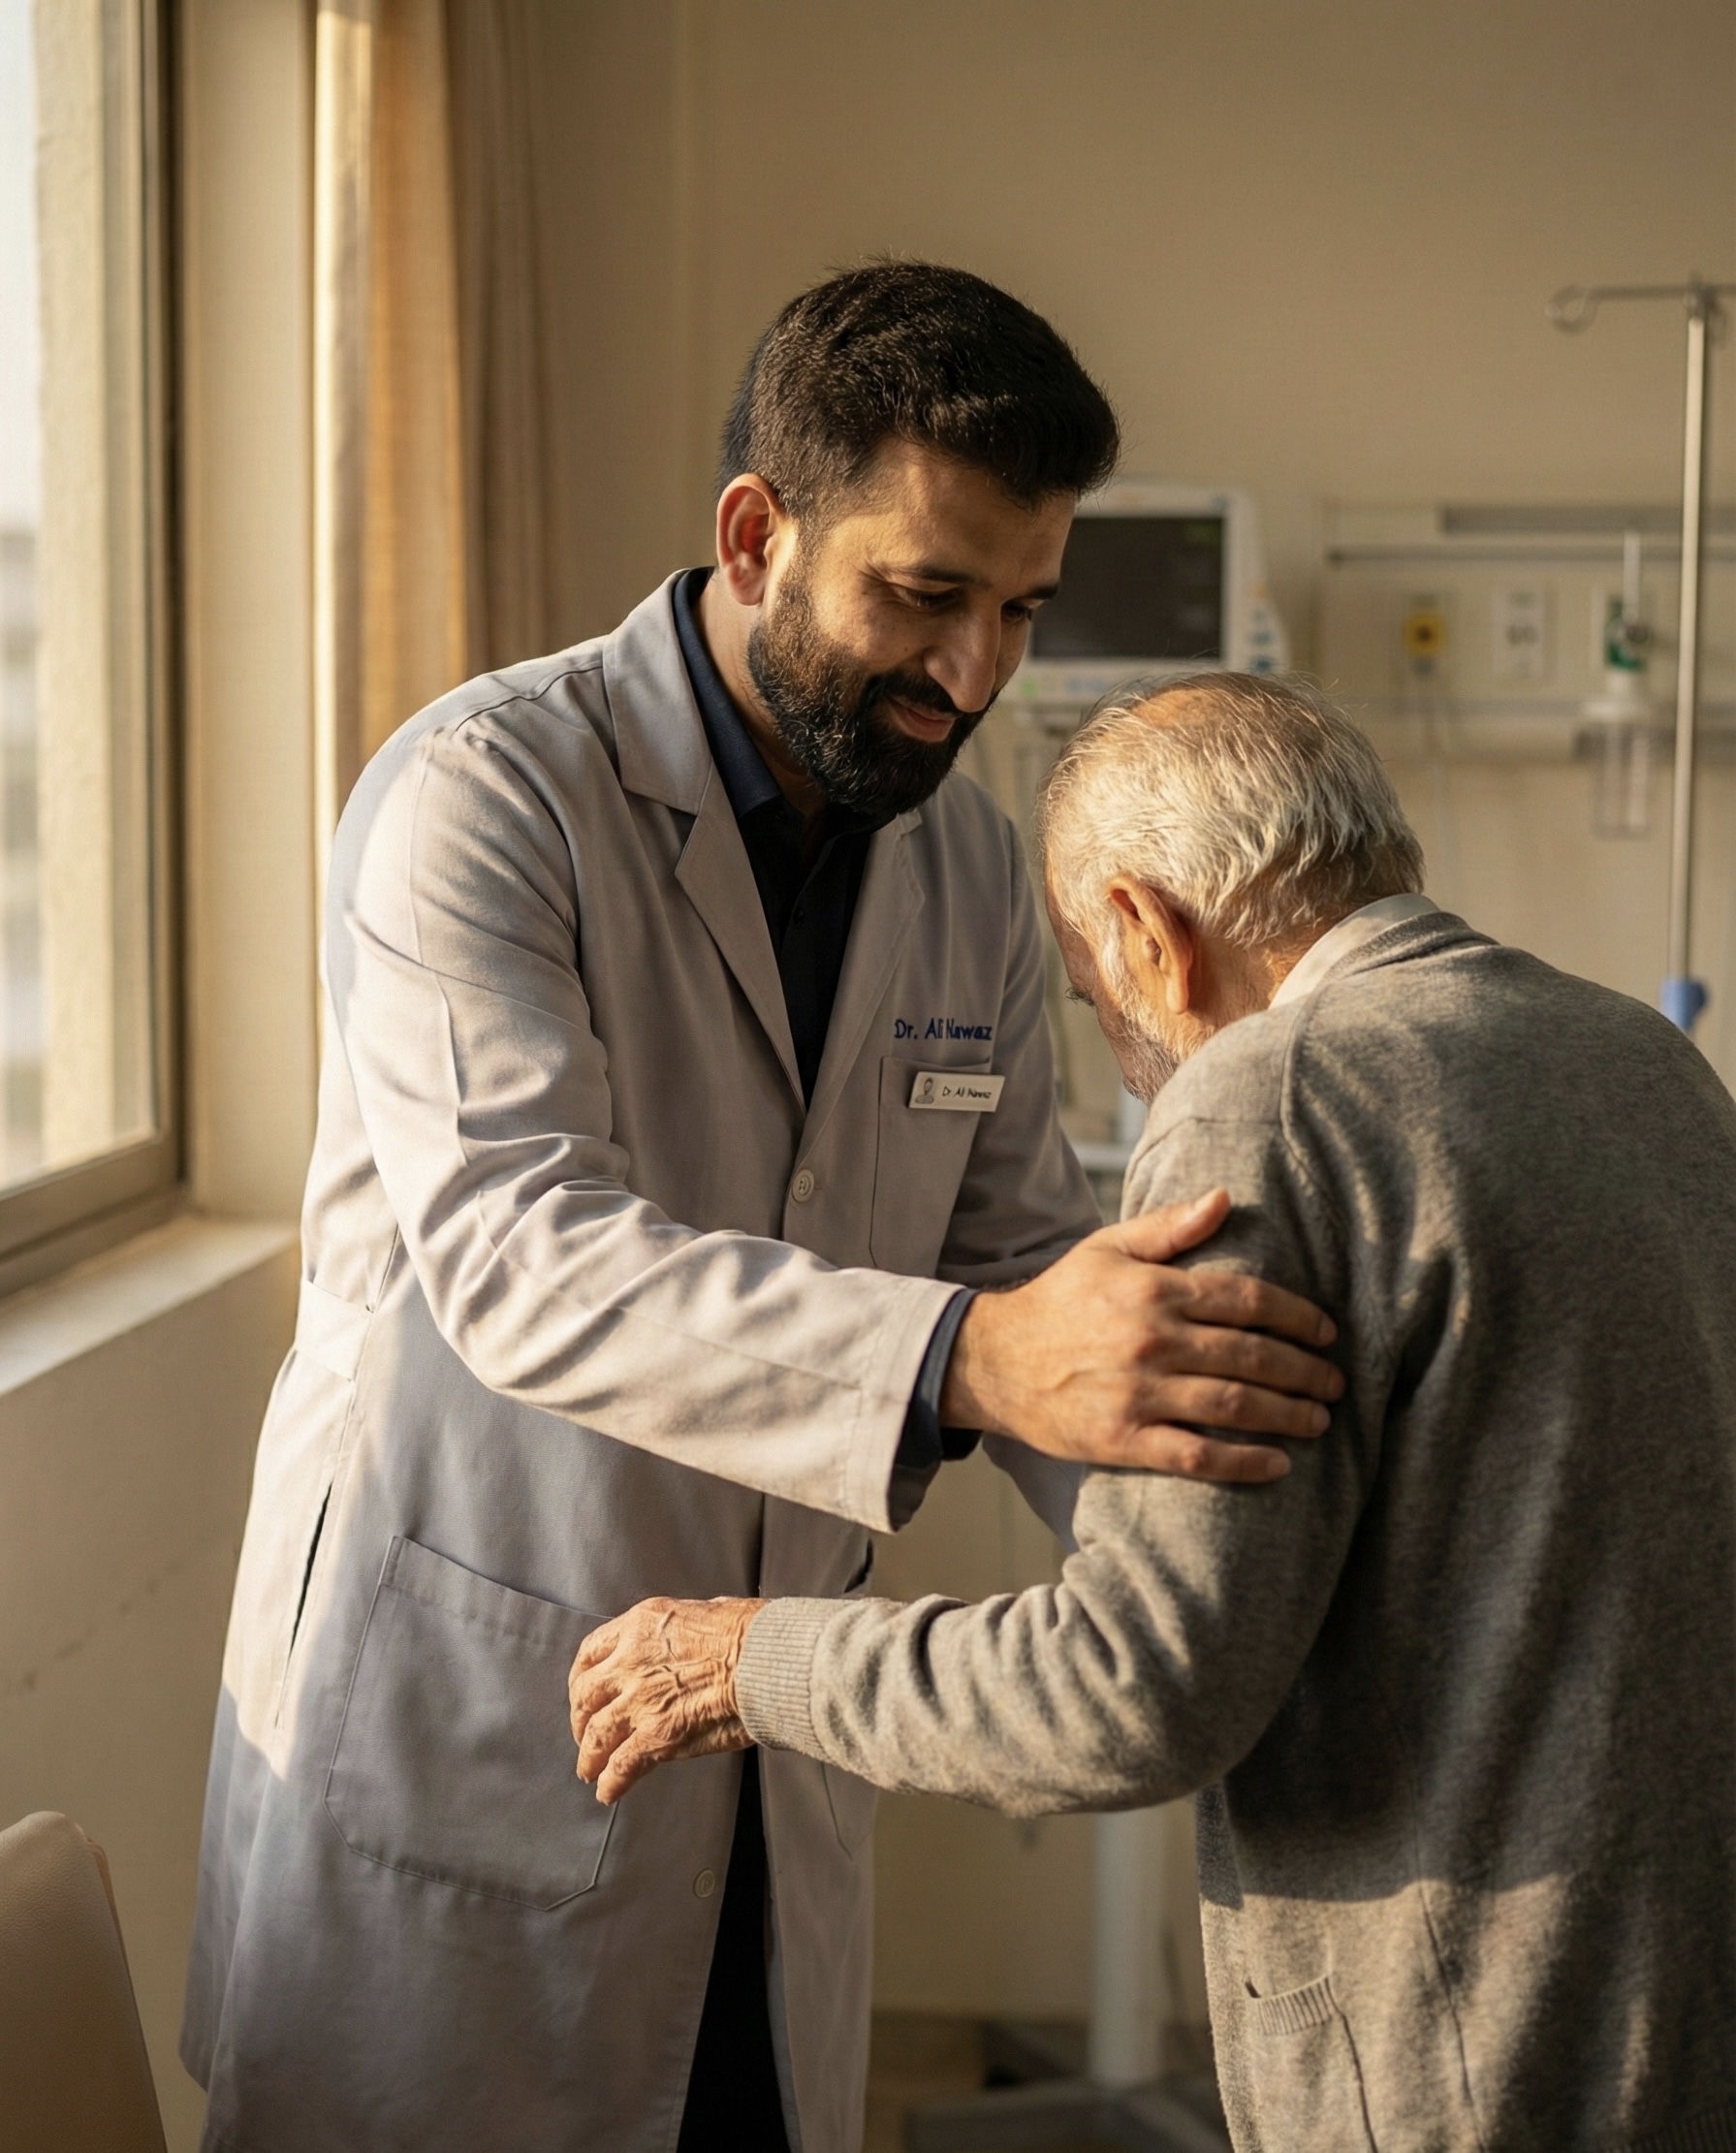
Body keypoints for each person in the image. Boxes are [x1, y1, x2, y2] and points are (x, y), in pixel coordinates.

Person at [181, 269, 1345, 2153]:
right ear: (755, 534)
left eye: (1019, 611)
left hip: (764, 1738)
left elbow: (1004, 1239)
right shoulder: (484, 798)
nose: (976, 675)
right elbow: (518, 1257)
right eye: (922, 597)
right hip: (475, 1718)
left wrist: (1217, 1522)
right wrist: (980, 1357)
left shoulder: (960, 855)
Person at [573, 673, 1736, 2152]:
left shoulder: (1276, 1095)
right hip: (1683, 2003)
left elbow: (1131, 1686)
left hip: (1473, 2060)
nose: (1116, 1039)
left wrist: (752, 1661)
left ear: (1144, 933)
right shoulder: (1643, 1061)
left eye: (1085, 996)